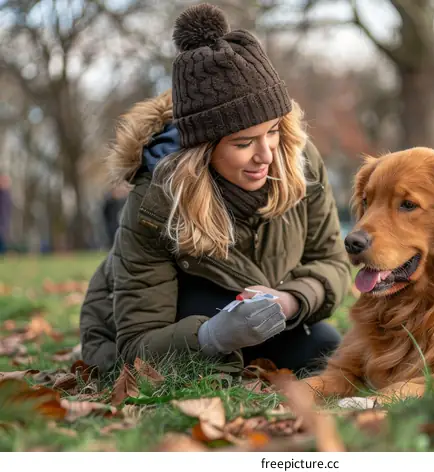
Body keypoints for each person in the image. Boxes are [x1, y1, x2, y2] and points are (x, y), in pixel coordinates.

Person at [79, 3, 351, 377]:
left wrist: (291, 300)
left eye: (272, 131)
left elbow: (332, 261)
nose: (266, 155)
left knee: (325, 352)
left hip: (266, 310)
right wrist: (213, 337)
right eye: (243, 143)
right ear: (203, 151)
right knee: (205, 367)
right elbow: (136, 344)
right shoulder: (155, 200)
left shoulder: (299, 160)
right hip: (167, 321)